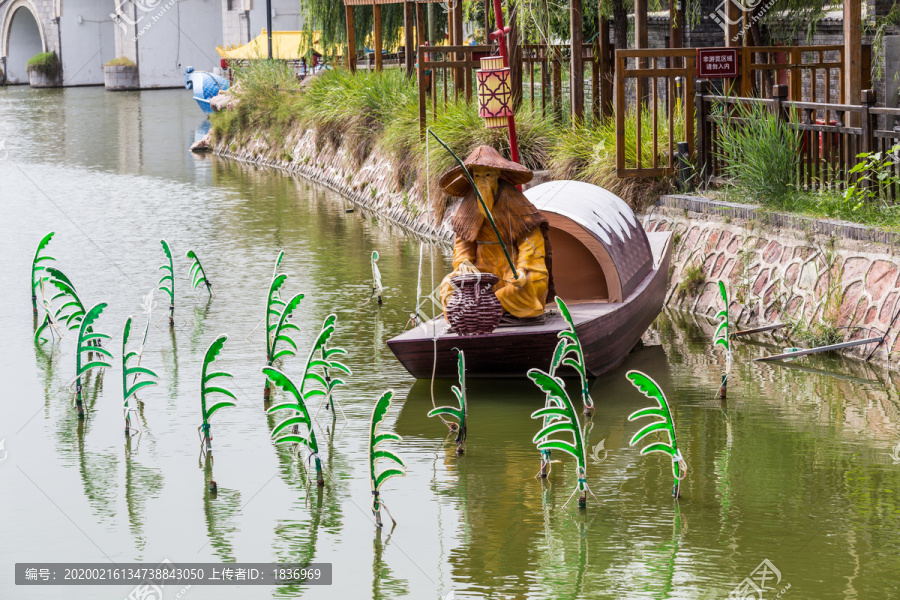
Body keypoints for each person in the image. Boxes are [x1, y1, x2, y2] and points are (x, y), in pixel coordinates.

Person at [438, 146, 553, 320]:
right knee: (449, 285)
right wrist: (464, 265)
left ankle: (484, 309)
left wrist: (522, 270)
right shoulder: (470, 202)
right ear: (472, 178)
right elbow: (463, 242)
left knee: (530, 283)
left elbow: (531, 240)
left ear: (497, 175)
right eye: (477, 175)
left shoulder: (513, 200)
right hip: (481, 271)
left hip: (511, 268)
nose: (482, 180)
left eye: (487, 175)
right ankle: (481, 310)